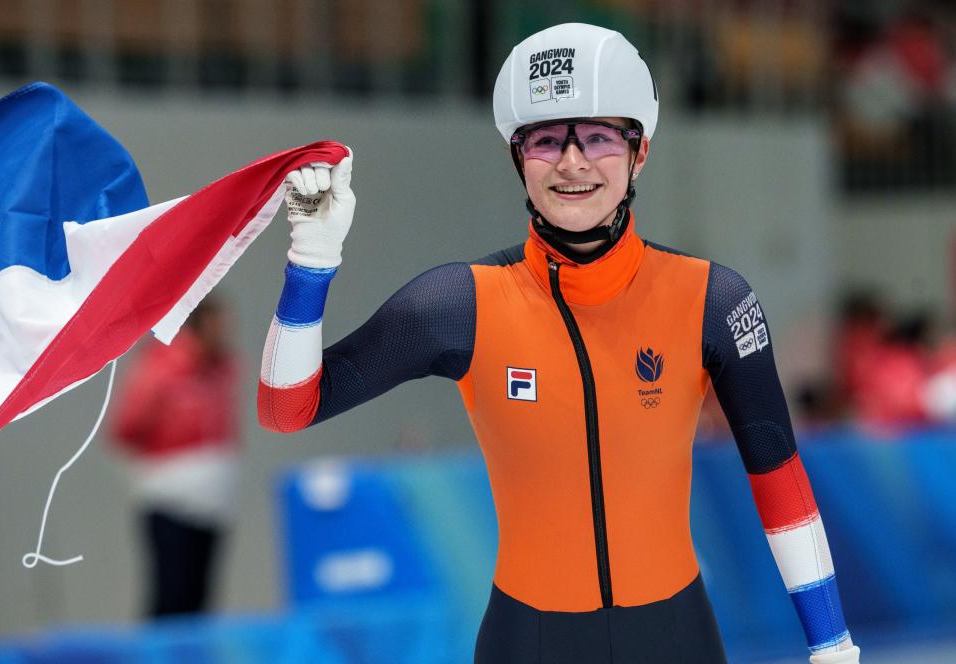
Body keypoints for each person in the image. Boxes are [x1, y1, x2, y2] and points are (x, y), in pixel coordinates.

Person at [258, 23, 860, 664]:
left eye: (599, 137)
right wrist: (311, 260)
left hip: (675, 638)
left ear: (640, 153)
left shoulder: (712, 298)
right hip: (531, 642)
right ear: (517, 158)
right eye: (546, 140)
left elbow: (778, 475)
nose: (572, 162)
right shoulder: (460, 303)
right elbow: (287, 409)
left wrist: (832, 645)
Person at [111, 296, 241, 618]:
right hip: (170, 497)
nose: (224, 333)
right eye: (217, 325)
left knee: (200, 595)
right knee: (172, 591)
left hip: (213, 498)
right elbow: (126, 427)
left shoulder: (223, 368)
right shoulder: (162, 365)